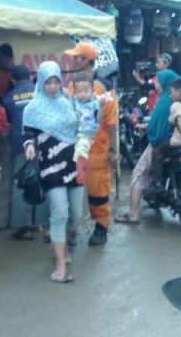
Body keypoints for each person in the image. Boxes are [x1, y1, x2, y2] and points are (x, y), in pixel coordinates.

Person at [22, 61, 84, 282]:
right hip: (50, 166)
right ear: (41, 82)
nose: (52, 87)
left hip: (73, 163)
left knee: (76, 214)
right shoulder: (32, 108)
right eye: (48, 83)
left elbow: (82, 126)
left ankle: (64, 243)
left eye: (56, 82)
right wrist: (29, 146)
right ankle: (60, 265)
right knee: (60, 213)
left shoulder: (68, 103)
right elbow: (27, 134)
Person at [116, 71, 181, 224]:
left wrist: (150, 132)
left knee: (139, 174)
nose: (156, 84)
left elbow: (163, 127)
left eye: (158, 82)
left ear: (174, 88)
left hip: (167, 142)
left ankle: (133, 214)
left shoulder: (168, 102)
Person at [64, 42, 117, 246]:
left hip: (98, 150)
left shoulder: (104, 89)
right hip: (76, 148)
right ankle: (70, 230)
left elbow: (111, 122)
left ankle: (101, 227)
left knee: (98, 191)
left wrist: (112, 149)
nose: (72, 60)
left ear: (86, 60)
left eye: (76, 57)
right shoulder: (72, 86)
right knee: (72, 189)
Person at [3, 64, 47, 240]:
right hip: (41, 143)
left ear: (13, 80)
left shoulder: (9, 97)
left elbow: (9, 119)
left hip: (21, 145)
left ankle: (23, 227)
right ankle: (40, 223)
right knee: (41, 182)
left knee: (21, 184)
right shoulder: (40, 92)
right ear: (30, 77)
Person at [71, 71, 107, 185]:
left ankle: (81, 173)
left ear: (92, 90)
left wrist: (101, 106)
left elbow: (99, 119)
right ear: (74, 92)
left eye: (86, 91)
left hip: (87, 134)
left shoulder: (94, 104)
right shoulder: (73, 102)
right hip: (74, 134)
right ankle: (78, 170)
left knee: (81, 149)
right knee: (76, 152)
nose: (82, 94)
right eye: (79, 91)